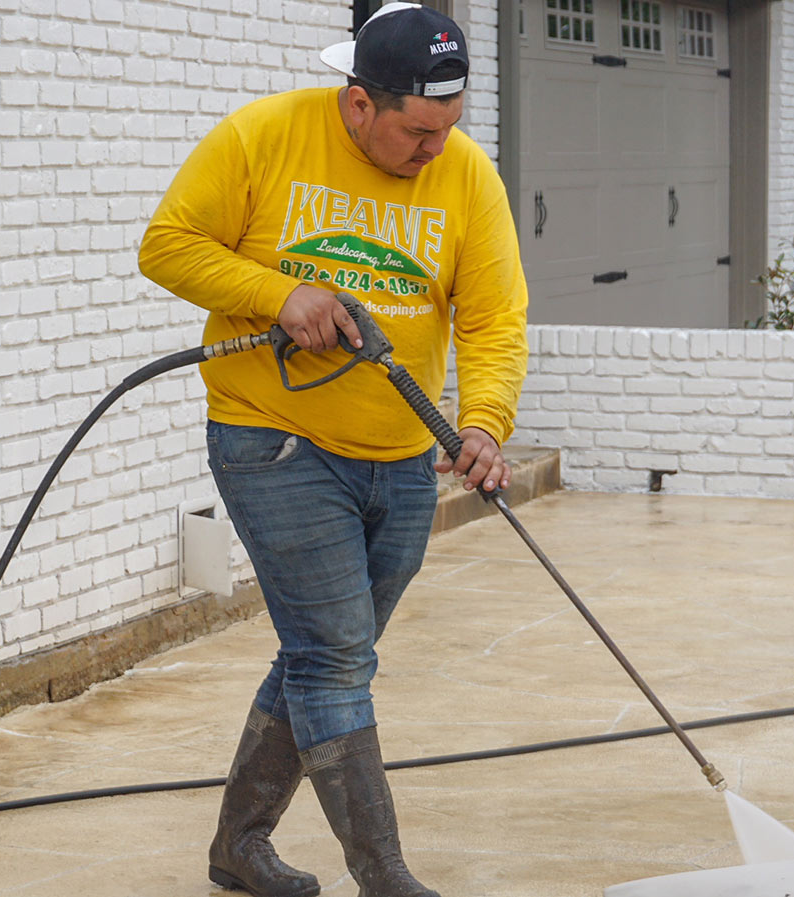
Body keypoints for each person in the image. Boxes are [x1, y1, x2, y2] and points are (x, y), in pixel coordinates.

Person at [137, 4, 528, 896]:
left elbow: (496, 315)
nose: (436, 150)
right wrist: (278, 295)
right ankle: (383, 872)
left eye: (449, 127)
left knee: (322, 654)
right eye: (418, 131)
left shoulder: (465, 175)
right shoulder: (262, 136)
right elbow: (167, 245)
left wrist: (484, 422)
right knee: (335, 658)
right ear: (358, 103)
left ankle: (239, 845)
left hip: (400, 458)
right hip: (275, 441)